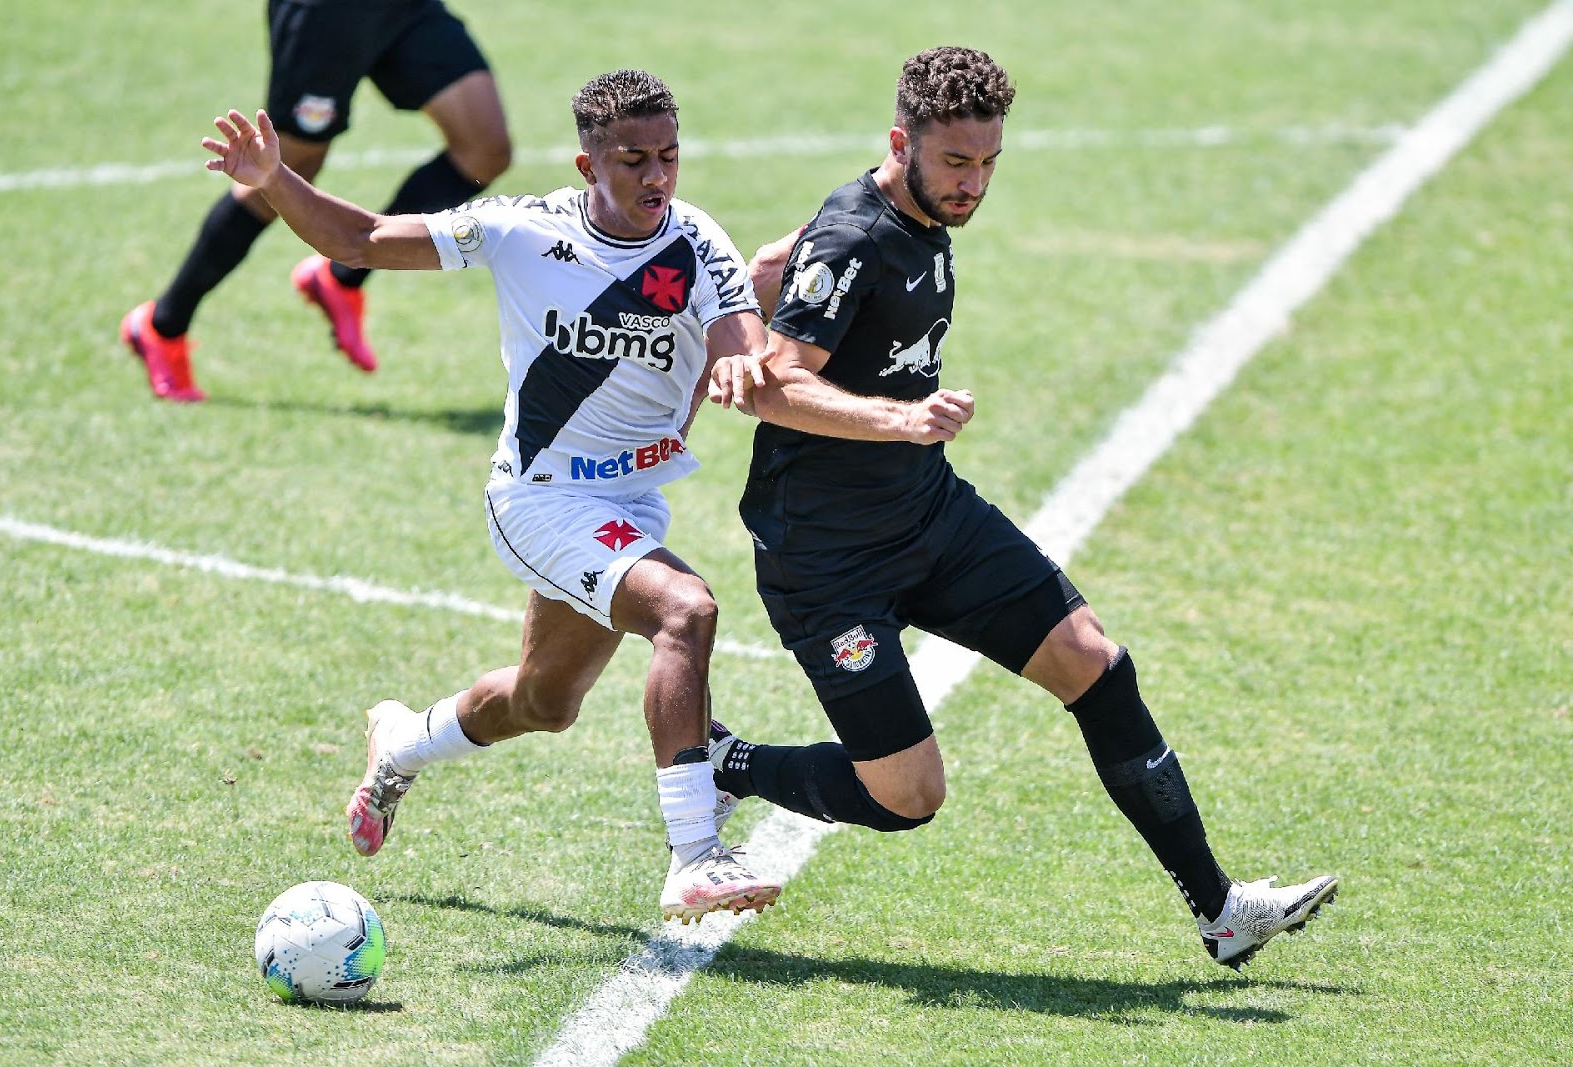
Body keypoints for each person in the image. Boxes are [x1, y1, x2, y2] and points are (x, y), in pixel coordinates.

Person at [706, 46, 1338, 969]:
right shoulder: (855, 234)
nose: (975, 183)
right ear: (901, 142)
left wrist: (762, 278)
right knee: (907, 796)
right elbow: (774, 387)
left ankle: (1222, 911)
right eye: (957, 163)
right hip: (827, 559)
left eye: (990, 161)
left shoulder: (910, 216)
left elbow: (776, 279)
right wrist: (900, 416)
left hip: (929, 517)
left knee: (1096, 664)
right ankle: (731, 765)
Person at [201, 69, 781, 922]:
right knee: (684, 611)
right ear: (587, 165)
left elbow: (738, 332)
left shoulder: (697, 243)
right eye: (631, 161)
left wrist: (740, 356)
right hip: (539, 498)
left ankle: (402, 741)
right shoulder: (518, 229)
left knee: (545, 702)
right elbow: (361, 240)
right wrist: (275, 180)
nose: (656, 178)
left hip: (629, 506)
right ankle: (695, 852)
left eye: (668, 156)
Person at [121, 0, 514, 401]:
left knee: (485, 149)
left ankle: (340, 277)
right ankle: (162, 325)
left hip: (403, 8)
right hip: (327, 12)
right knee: (282, 174)